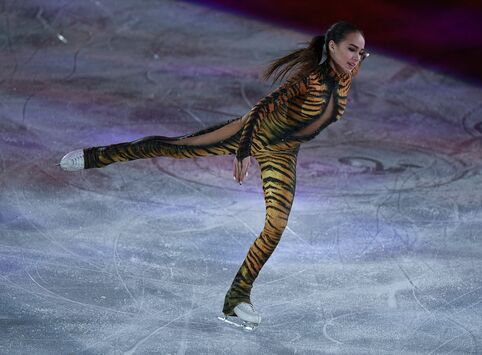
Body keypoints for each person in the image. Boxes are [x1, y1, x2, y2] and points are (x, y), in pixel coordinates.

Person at [59, 21, 367, 329]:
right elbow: (262, 108)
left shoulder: (345, 78)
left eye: (361, 53)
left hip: (283, 152)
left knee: (277, 225)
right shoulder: (310, 78)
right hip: (252, 134)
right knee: (176, 147)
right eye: (351, 49)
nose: (356, 57)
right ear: (332, 46)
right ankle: (96, 156)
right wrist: (244, 150)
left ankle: (237, 298)